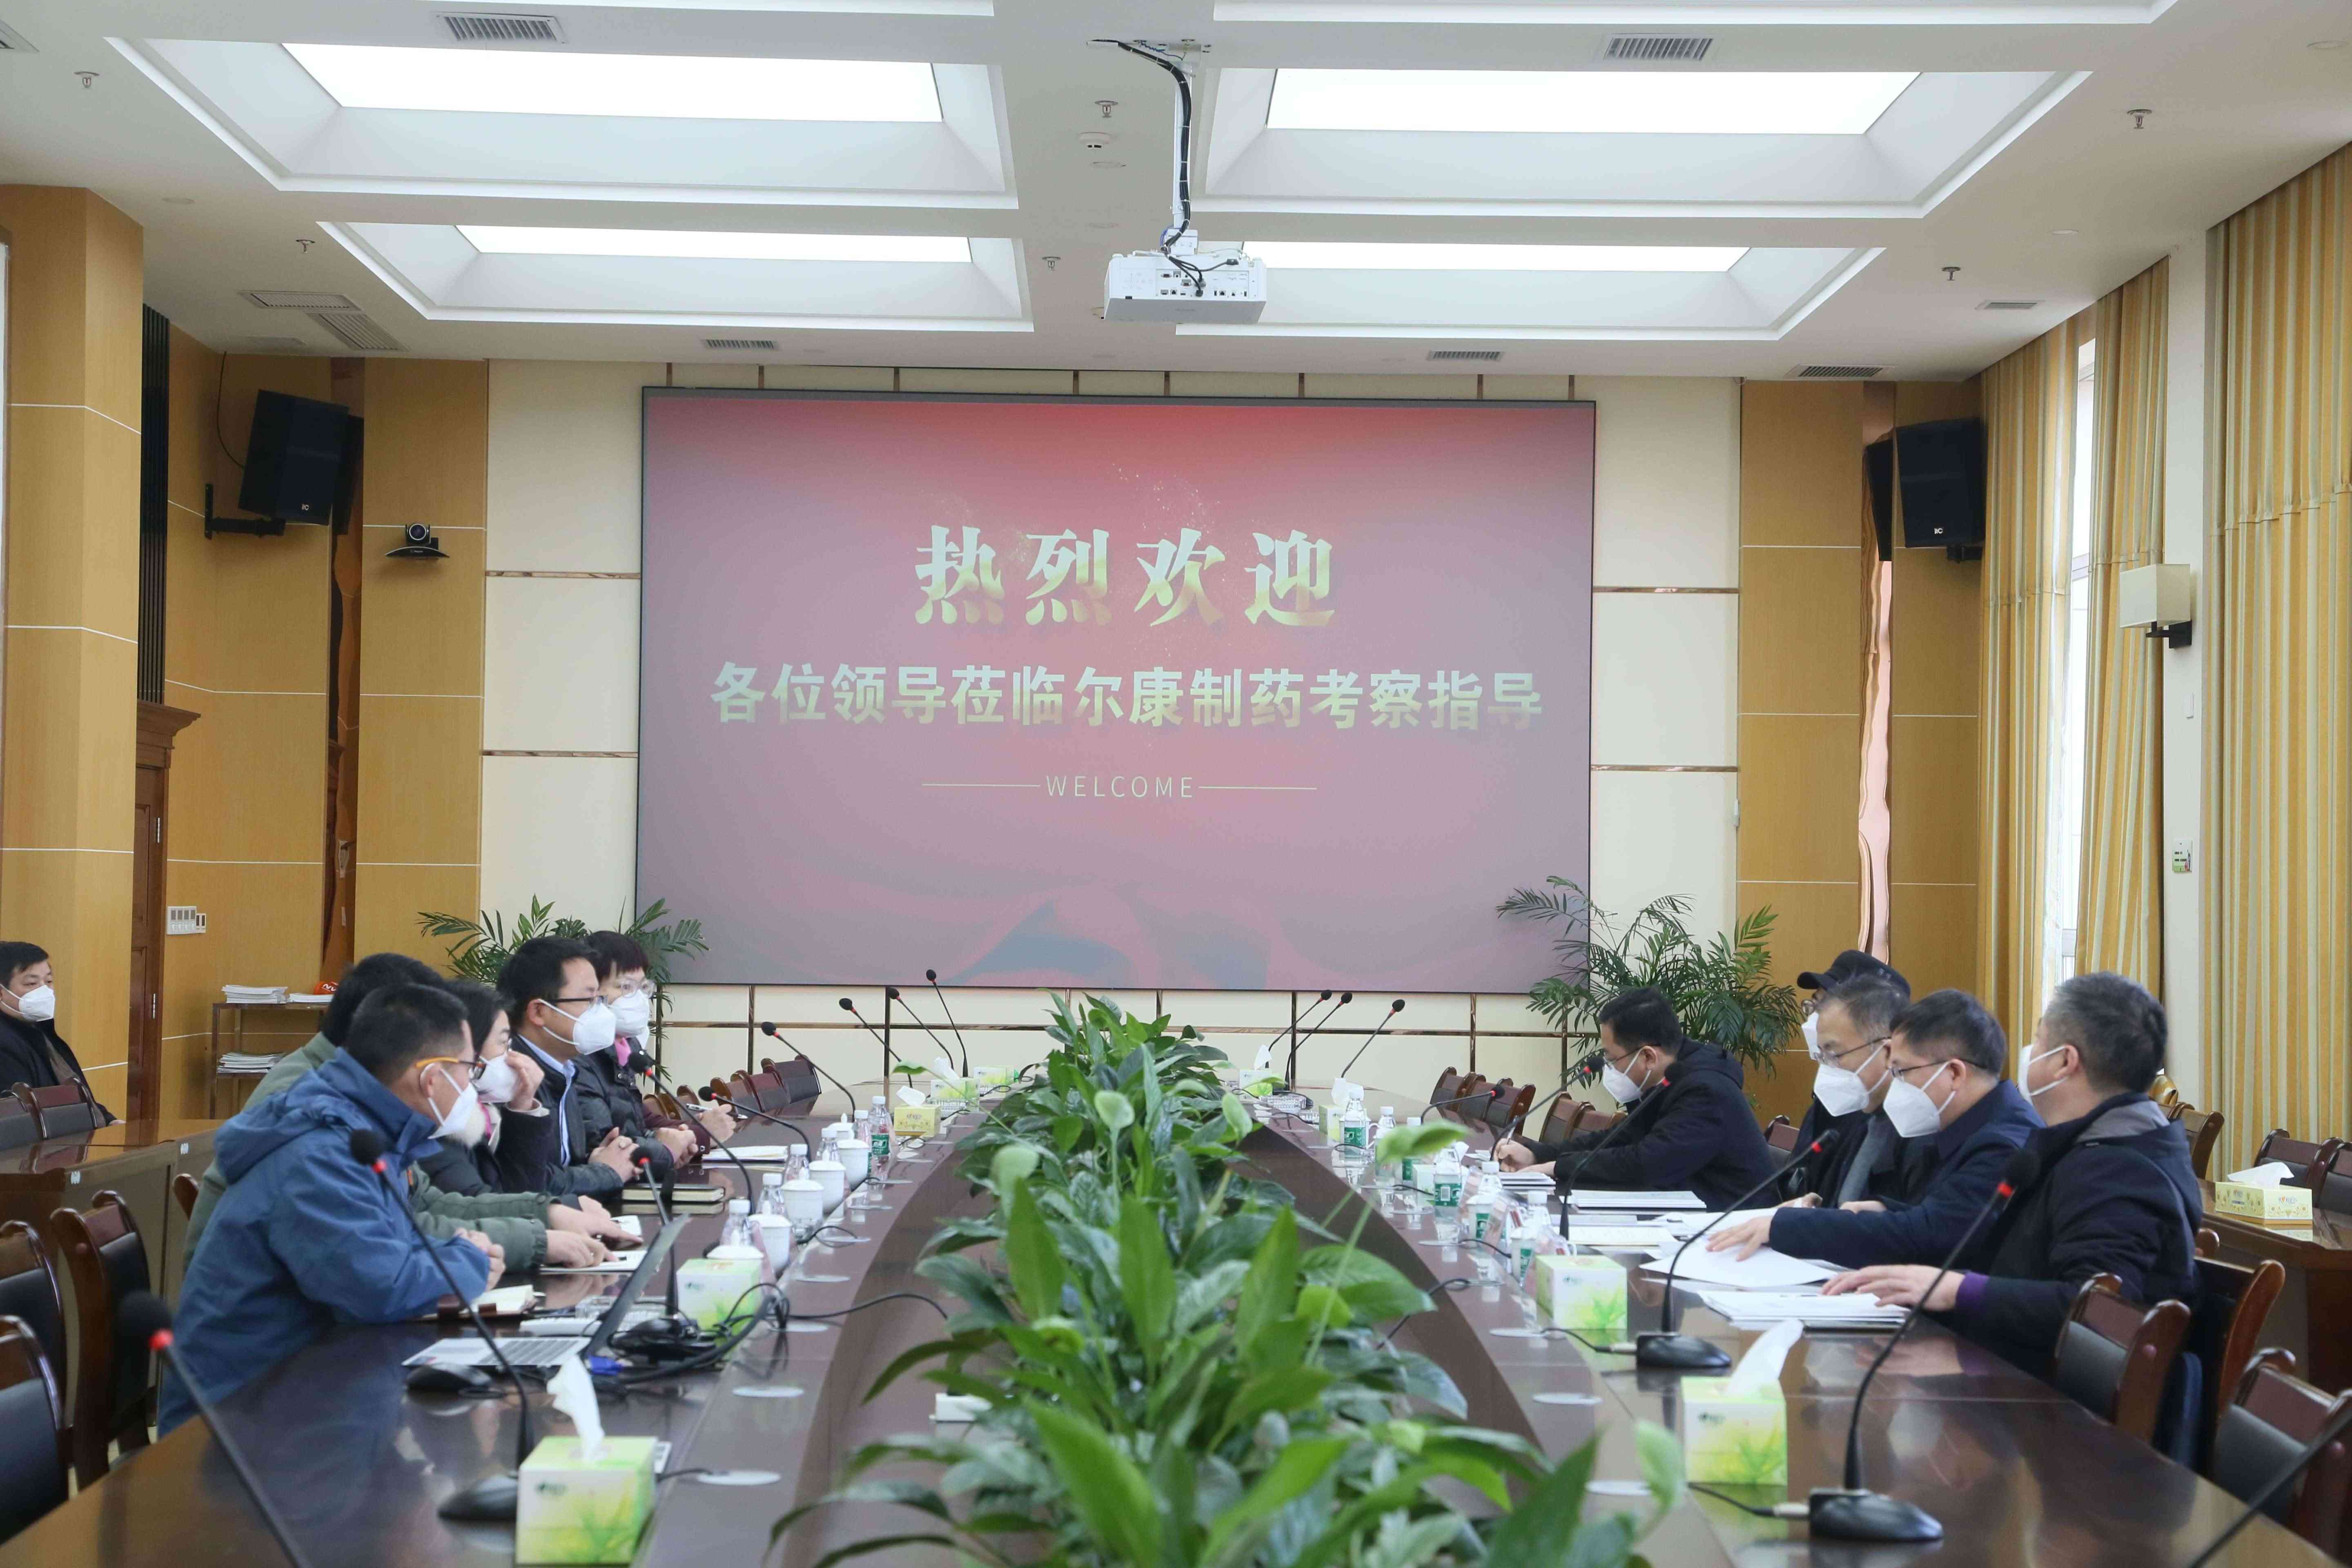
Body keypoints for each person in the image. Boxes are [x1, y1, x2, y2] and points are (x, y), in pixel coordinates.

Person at [1826, 972, 2202, 1379]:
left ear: (2065, 1062)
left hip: (2048, 1397)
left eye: (2039, 1041)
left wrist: (1959, 1290)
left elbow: (2097, 1310)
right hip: (2011, 1364)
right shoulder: (2097, 1145)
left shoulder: (2121, 1169)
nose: (2028, 1052)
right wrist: (1892, 1214)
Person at [160, 984, 500, 1431]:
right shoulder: (324, 1154)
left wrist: (454, 1252)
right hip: (239, 1423)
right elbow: (379, 1288)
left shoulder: (363, 1134)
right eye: (469, 1069)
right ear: (432, 1078)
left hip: (299, 1394)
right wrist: (470, 1260)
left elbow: (381, 1250)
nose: (472, 1085)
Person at [184, 953, 619, 1271]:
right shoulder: (314, 1110)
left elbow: (425, 1203)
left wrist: (546, 1214)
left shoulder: (366, 1099)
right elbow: (386, 1243)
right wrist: (533, 1239)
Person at [1711, 988, 2040, 1268]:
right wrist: (1886, 1209)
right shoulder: (1966, 1126)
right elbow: (1946, 1215)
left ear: (1954, 1074)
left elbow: (1932, 1235)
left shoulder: (2005, 1143)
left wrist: (1789, 1226)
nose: (1894, 1083)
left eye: (1901, 1072)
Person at [415, 982, 633, 1264]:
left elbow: (518, 1189)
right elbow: (470, 1201)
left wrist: (523, 1109)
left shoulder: (486, 1113)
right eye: (503, 1043)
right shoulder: (438, 1120)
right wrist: (556, 1213)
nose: (513, 1058)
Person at [1497, 987, 1776, 1208]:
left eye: (1612, 1058)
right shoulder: (1673, 1076)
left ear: (1648, 1057)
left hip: (1733, 1228)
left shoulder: (1706, 1091)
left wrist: (1557, 1168)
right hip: (1686, 1213)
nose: (1609, 1067)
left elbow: (1649, 1163)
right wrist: (1537, 1154)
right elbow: (1621, 1138)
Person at [496, 937, 639, 1200]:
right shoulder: (510, 1078)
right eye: (589, 1000)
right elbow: (532, 1184)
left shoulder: (565, 1069)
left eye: (600, 999)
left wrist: (598, 1160)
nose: (601, 1012)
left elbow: (565, 1168)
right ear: (539, 1012)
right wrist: (605, 1172)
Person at [584, 929, 733, 1151]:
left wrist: (694, 1130)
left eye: (642, 987)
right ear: (589, 991)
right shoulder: (581, 1055)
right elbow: (606, 1142)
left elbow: (640, 1120)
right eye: (626, 987)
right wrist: (701, 1135)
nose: (637, 998)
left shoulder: (625, 1048)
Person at [1778, 953, 1910, 1201]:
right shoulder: (1844, 1101)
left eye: (1826, 1004)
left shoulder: (1906, 1127)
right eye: (1815, 1004)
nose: (1817, 1016)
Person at [0, 941, 113, 1122]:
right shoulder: (5, 1045)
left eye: (48, 982)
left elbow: (76, 1094)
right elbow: (19, 1120)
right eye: (31, 983)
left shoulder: (41, 1030)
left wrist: (108, 1119)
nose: (44, 991)